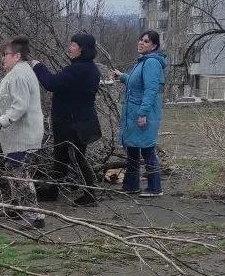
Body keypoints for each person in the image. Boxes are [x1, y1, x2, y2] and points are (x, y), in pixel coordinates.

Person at [0, 37, 45, 229]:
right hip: (16, 134)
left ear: (17, 55)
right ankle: (18, 207)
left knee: (20, 173)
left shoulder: (20, 75)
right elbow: (3, 99)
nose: (2, 59)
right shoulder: (16, 73)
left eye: (5, 55)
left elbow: (19, 106)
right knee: (13, 170)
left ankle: (35, 216)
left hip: (22, 135)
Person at [32, 31, 102, 207]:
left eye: (73, 45)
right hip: (81, 120)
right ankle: (52, 191)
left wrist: (38, 66)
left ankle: (90, 194)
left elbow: (51, 83)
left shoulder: (78, 69)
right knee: (61, 156)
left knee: (76, 157)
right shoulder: (90, 68)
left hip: (72, 123)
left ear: (82, 49)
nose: (70, 48)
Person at [113, 30, 167, 197]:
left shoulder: (151, 63)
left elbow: (151, 90)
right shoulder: (143, 62)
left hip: (144, 114)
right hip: (135, 113)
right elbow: (136, 83)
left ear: (154, 46)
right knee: (133, 150)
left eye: (146, 41)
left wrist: (143, 113)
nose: (141, 43)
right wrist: (122, 76)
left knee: (147, 150)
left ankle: (155, 188)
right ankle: (131, 186)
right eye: (141, 40)